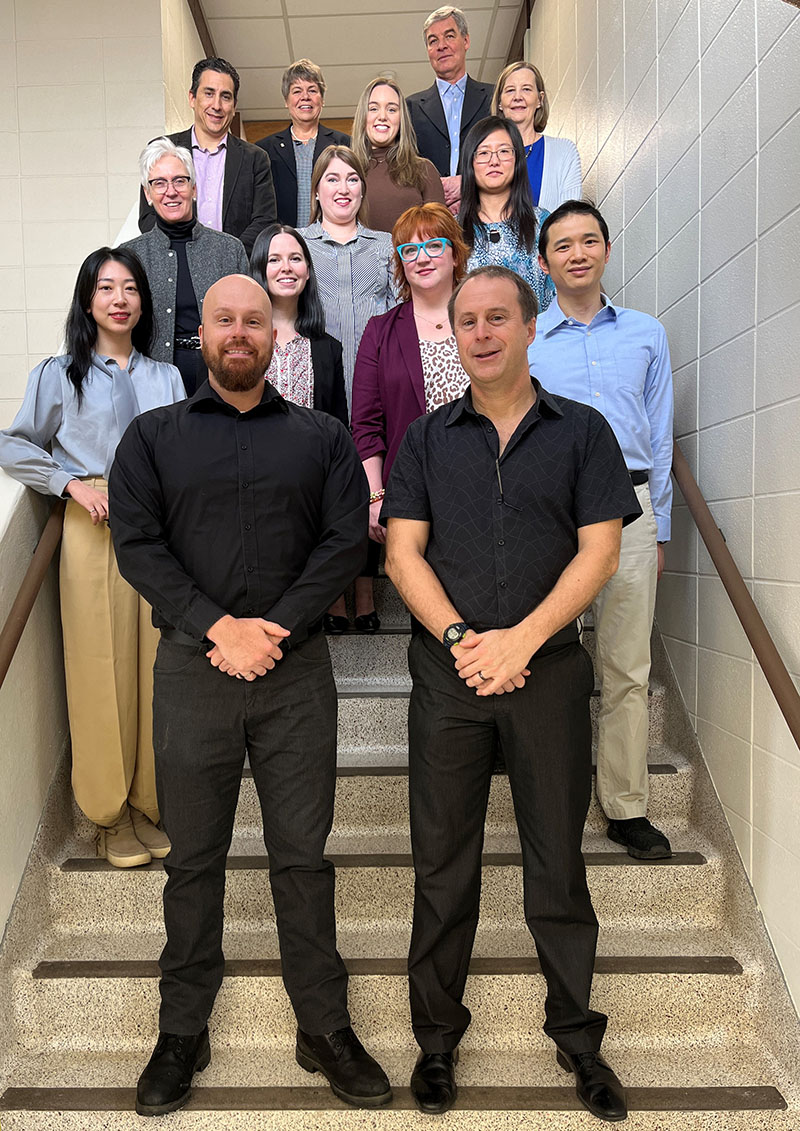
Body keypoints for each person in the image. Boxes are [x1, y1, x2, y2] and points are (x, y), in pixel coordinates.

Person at [109, 274, 391, 1118]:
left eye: (254, 321)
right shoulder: (152, 437)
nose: (241, 333)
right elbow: (137, 543)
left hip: (296, 674)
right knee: (193, 860)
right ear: (200, 333)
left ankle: (324, 1026)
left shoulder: (323, 437)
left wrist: (271, 626)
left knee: (302, 858)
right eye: (224, 320)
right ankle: (182, 1030)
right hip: (194, 672)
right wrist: (216, 627)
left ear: (276, 333)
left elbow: (345, 540)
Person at [382, 265, 639, 1121]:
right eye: (467, 321)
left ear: (531, 329)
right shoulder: (424, 439)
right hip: (449, 678)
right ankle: (437, 1044)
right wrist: (463, 641)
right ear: (453, 338)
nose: (482, 332)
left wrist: (521, 641)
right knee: (442, 870)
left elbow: (598, 553)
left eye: (498, 317)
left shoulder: (584, 433)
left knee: (557, 868)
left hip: (548, 675)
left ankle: (578, 1040)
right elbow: (403, 555)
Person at [0, 248, 184, 868]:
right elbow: (12, 444)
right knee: (98, 665)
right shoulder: (60, 373)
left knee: (155, 667)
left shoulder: (166, 378)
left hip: (155, 528)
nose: (119, 299)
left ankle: (147, 802)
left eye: (130, 288)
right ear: (88, 301)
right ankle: (107, 813)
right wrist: (70, 484)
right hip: (92, 523)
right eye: (106, 288)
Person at [529, 199, 675, 861]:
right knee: (548, 663)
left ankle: (624, 805)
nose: (578, 253)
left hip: (633, 511)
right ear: (544, 261)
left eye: (590, 241)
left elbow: (662, 435)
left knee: (625, 662)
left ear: (606, 252)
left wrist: (662, 527)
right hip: (554, 517)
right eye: (564, 245)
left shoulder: (647, 334)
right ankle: (547, 791)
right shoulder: (529, 341)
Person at [351, 203, 470, 552]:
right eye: (409, 250)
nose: (422, 258)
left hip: (483, 487)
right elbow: (366, 425)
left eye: (434, 246)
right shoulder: (379, 332)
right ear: (401, 263)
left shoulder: (480, 322)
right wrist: (375, 497)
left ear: (454, 254)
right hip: (409, 494)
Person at [124, 137, 249, 396]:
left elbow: (247, 319)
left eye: (180, 181)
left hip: (221, 376)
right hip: (152, 381)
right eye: (159, 183)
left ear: (194, 189)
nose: (171, 191)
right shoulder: (130, 256)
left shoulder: (229, 250)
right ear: (148, 195)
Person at [138, 57, 276, 255]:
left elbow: (264, 221)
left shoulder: (255, 159)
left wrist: (227, 257)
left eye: (225, 97)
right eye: (209, 93)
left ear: (234, 106)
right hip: (174, 267)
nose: (217, 105)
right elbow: (148, 217)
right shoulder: (162, 151)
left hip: (235, 271)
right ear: (192, 98)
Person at [299, 145, 395, 408]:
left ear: (362, 191)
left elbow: (401, 317)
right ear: (317, 191)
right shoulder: (297, 245)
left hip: (377, 384)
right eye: (332, 179)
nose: (343, 189)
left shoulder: (385, 245)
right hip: (314, 386)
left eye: (352, 179)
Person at [250, 222, 348, 425]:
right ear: (260, 269)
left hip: (314, 455)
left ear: (308, 271)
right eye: (274, 260)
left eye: (295, 259)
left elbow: (338, 429)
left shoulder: (329, 349)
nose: (286, 268)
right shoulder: (241, 341)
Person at [459, 115, 555, 313]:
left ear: (517, 160)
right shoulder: (451, 230)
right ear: (470, 162)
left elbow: (560, 293)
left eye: (504, 151)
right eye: (483, 153)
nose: (494, 161)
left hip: (538, 340)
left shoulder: (543, 223)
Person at [407, 6, 493, 213]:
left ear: (466, 41)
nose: (441, 46)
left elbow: (510, 159)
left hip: (484, 214)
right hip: (431, 221)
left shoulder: (494, 98)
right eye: (433, 40)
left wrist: (468, 183)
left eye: (449, 36)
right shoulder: (409, 107)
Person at [256, 59, 350, 228]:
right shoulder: (264, 150)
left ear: (322, 100)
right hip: (283, 243)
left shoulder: (344, 144)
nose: (305, 97)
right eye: (297, 91)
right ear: (286, 101)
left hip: (331, 242)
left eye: (312, 90)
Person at [351, 76, 444, 233]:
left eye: (392, 109)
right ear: (363, 116)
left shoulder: (423, 169)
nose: (382, 116)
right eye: (373, 108)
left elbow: (440, 236)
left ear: (401, 119)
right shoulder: (348, 172)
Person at [492, 61, 582, 211]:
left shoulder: (564, 151)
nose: (517, 97)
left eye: (526, 89)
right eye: (510, 90)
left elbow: (571, 216)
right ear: (500, 102)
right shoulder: (485, 156)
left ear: (539, 100)